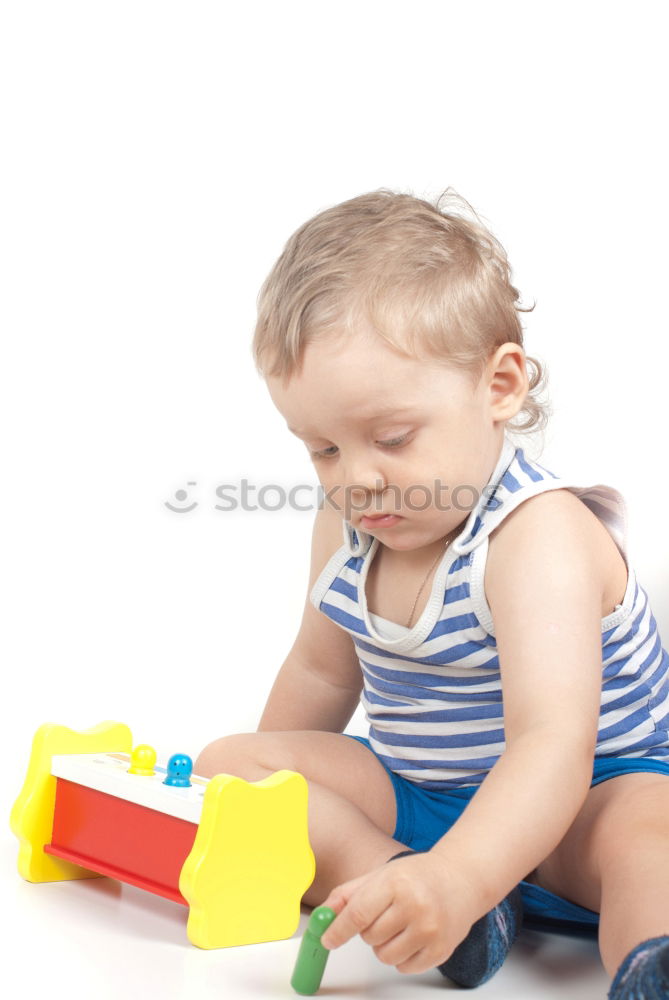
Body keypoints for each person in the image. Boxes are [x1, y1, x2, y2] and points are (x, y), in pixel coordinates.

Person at [195, 189, 669, 998]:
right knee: (233, 769)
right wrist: (273, 815)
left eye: (390, 439)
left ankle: (647, 956)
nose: (357, 479)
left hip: (585, 803)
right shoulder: (348, 528)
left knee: (648, 843)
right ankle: (402, 888)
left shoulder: (535, 536)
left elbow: (550, 744)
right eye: (322, 449)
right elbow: (319, 674)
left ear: (500, 387)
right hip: (425, 800)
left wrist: (465, 871)